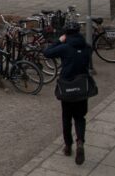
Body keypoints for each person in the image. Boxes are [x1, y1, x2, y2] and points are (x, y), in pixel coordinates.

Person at [44, 22, 93, 165]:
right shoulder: (87, 48)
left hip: (67, 87)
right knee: (80, 117)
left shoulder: (65, 48)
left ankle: (68, 146)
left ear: (66, 34)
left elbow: (46, 53)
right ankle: (80, 142)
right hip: (82, 87)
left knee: (66, 117)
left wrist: (59, 40)